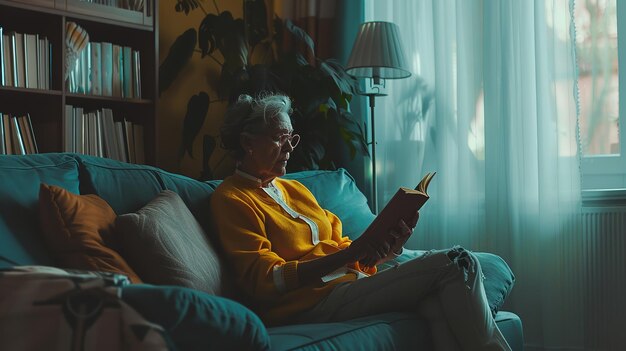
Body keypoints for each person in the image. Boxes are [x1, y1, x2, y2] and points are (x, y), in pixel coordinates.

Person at [210, 93, 511, 351]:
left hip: (349, 284)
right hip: (310, 303)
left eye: (292, 138)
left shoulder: (294, 189)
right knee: (457, 261)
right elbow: (265, 279)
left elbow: (348, 253)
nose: (290, 148)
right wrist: (351, 254)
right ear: (248, 142)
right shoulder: (232, 199)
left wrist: (388, 248)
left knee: (435, 305)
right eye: (279, 138)